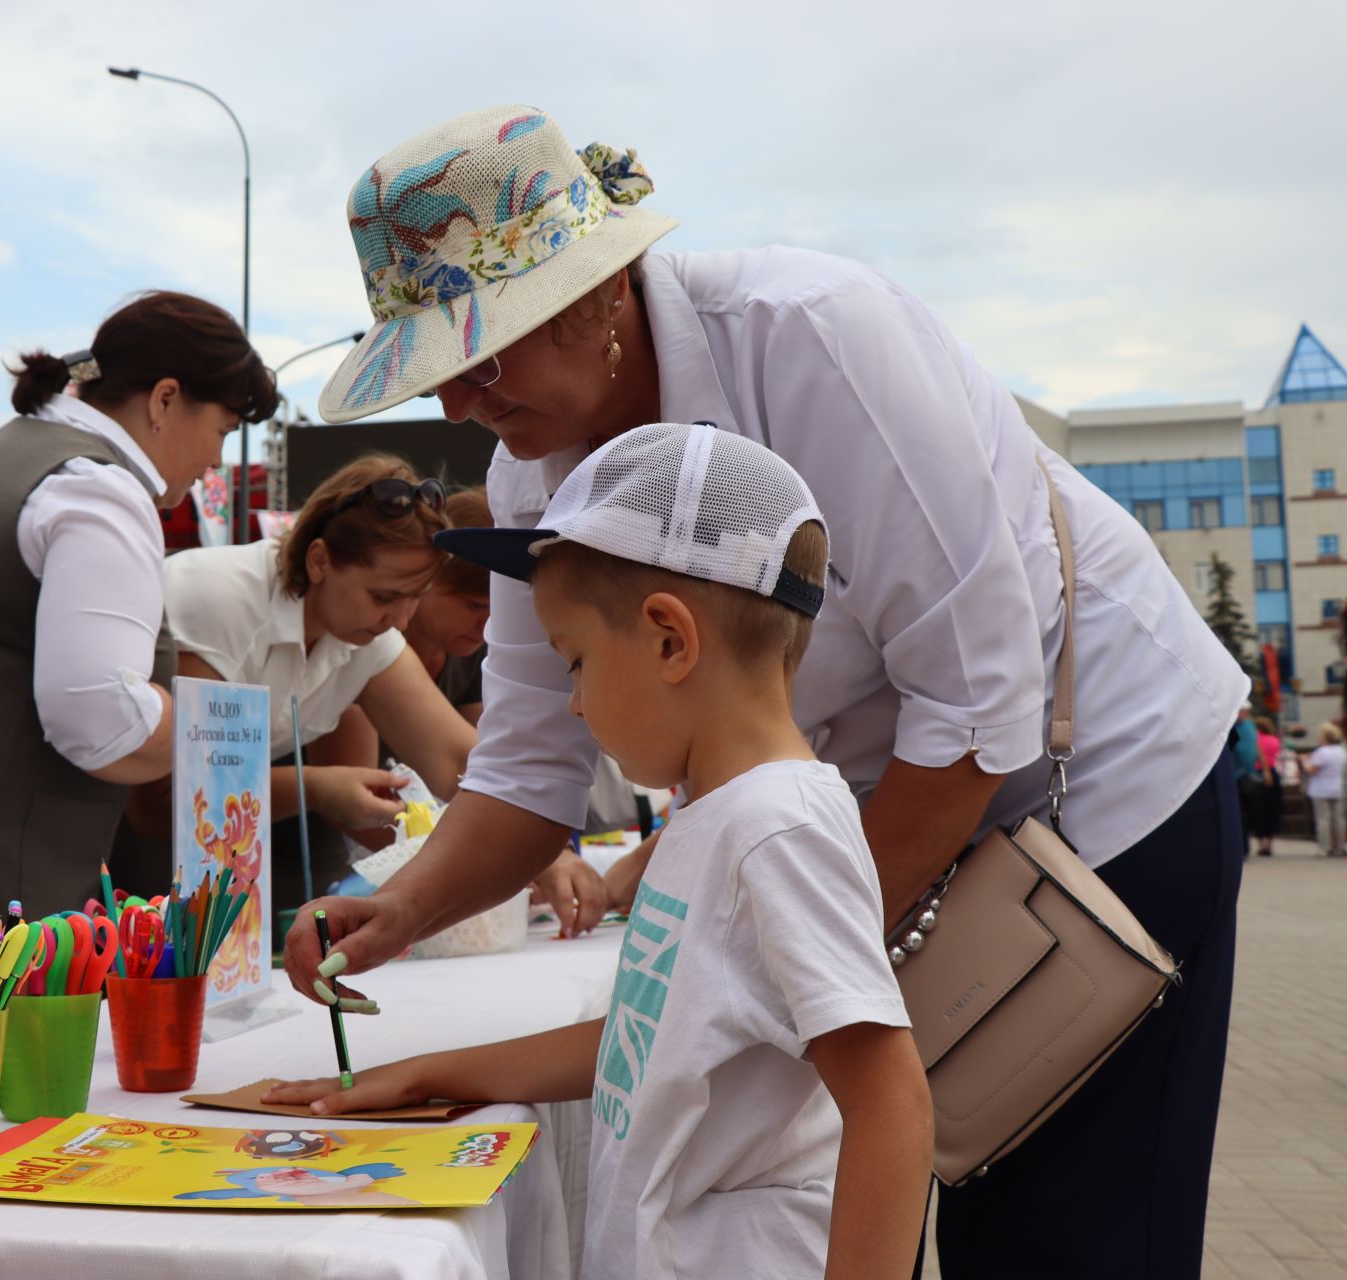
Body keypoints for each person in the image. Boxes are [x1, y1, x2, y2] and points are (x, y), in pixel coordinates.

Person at [288, 105, 1247, 1278]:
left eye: (479, 357)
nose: (454, 405)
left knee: (1068, 1224)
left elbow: (978, 713)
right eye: (433, 372)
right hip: (895, 818)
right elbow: (532, 763)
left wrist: (777, 938)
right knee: (980, 1177)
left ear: (598, 293)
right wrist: (405, 908)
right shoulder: (530, 470)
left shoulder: (815, 338)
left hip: (1102, 789)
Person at [268, 426, 933, 1280]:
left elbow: (892, 1103)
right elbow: (648, 1040)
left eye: (575, 662)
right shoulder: (719, 818)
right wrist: (426, 1074)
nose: (574, 704)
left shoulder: (781, 828)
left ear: (669, 639)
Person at [0, 292, 277, 945]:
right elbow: (99, 720)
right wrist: (208, 726)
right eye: (223, 431)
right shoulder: (98, 488)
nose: (215, 463)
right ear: (165, 399)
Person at [158, 456, 478, 907]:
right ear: (319, 560)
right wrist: (317, 788)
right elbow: (172, 798)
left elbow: (457, 761)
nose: (401, 621)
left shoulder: (366, 630)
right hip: (128, 867)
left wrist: (540, 852)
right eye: (384, 596)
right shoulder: (221, 599)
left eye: (416, 598)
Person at [400, 487, 493, 724]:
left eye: (499, 610)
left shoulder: (473, 654)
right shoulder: (370, 646)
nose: (486, 626)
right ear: (426, 576)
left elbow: (476, 751)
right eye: (475, 605)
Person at [1303, 724, 1346, 857]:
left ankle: (1325, 847)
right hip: (1337, 788)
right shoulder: (1341, 751)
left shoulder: (1321, 752)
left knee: (1323, 819)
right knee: (1339, 819)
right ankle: (1340, 847)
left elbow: (1312, 769)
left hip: (1321, 789)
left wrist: (1304, 761)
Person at [1252, 714, 1283, 857]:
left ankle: (1260, 842)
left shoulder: (1254, 739)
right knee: (1272, 808)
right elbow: (1277, 755)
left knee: (1258, 808)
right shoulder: (1274, 740)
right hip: (1272, 772)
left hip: (1256, 772)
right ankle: (1268, 842)